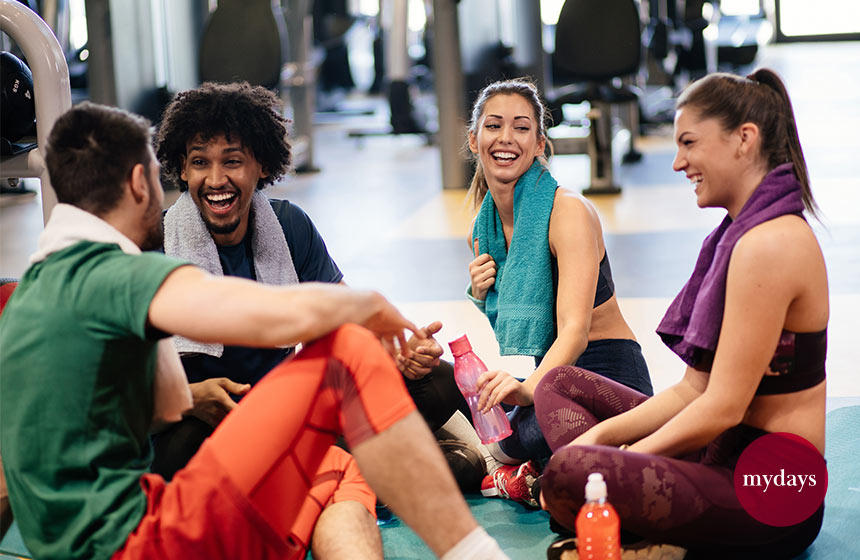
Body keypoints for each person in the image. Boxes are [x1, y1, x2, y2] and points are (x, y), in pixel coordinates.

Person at [0, 102, 510, 560]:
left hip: (140, 514)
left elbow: (146, 410)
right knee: (348, 354)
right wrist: (362, 304)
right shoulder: (116, 274)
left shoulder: (26, 295)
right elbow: (258, 317)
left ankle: (388, 467)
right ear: (139, 182)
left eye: (231, 160)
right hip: (147, 537)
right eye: (177, 170)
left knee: (334, 469)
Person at [536, 69, 827, 558]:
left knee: (568, 478)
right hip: (718, 452)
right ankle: (644, 524)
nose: (677, 162)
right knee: (559, 385)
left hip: (774, 491)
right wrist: (596, 449)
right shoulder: (738, 234)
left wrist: (603, 465)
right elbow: (694, 389)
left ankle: (654, 533)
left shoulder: (771, 243)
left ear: (744, 140)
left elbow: (722, 407)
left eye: (689, 143)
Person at [152, 81, 480, 492]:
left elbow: (346, 321)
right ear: (182, 170)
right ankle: (395, 465)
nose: (216, 179)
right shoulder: (157, 244)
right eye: (200, 163)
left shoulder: (289, 225)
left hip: (289, 407)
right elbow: (123, 390)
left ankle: (399, 463)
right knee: (180, 459)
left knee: (438, 379)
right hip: (204, 422)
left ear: (262, 166)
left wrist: (399, 351)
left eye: (232, 161)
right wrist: (190, 394)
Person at [463, 78, 653, 476]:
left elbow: (573, 330)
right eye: (494, 125)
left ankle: (517, 464)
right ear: (474, 139)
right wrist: (484, 296)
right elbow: (522, 321)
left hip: (606, 373)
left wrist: (528, 391)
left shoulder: (568, 212)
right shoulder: (483, 232)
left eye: (521, 127)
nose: (506, 138)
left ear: (538, 143)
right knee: (437, 382)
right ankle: (521, 462)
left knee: (532, 426)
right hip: (548, 374)